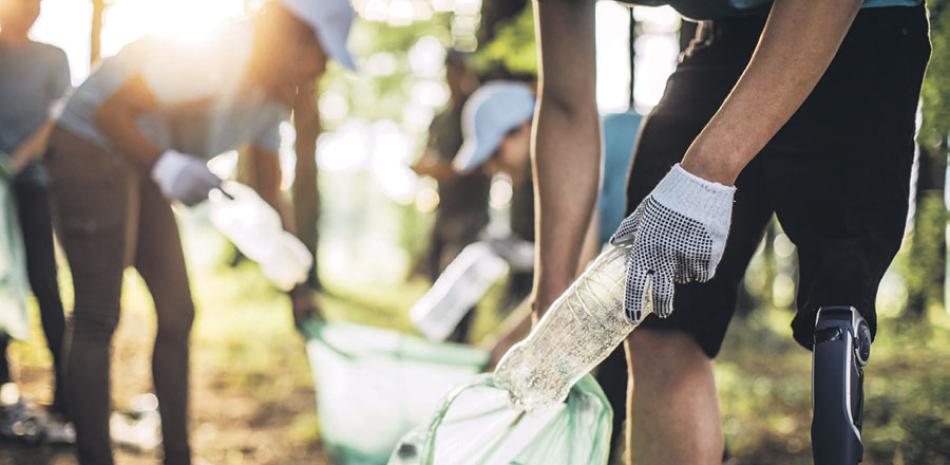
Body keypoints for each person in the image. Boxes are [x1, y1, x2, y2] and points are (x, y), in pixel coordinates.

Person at [529, 1, 929, 465]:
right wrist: (551, 309)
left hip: (851, 19)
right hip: (724, 35)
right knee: (655, 310)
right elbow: (564, 104)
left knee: (836, 311)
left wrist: (706, 174)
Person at [46, 0, 355, 462]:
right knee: (97, 313)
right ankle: (94, 454)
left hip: (142, 160)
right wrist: (167, 163)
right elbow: (112, 112)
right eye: (321, 53)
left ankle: (178, 455)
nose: (321, 68)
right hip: (91, 141)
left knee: (177, 311)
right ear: (294, 34)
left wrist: (297, 285)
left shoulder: (272, 97)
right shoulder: (221, 51)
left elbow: (271, 191)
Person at [0, 0, 72, 443]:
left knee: (46, 283)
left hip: (34, 185)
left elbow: (57, 117)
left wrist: (15, 160)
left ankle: (66, 395)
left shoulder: (51, 58)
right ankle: (5, 389)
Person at [412, 50, 489, 282]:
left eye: (456, 69)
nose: (451, 75)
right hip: (443, 209)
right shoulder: (439, 120)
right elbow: (426, 156)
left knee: (458, 280)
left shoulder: (475, 113)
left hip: (471, 214)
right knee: (436, 278)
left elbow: (482, 163)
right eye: (448, 69)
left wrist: (448, 171)